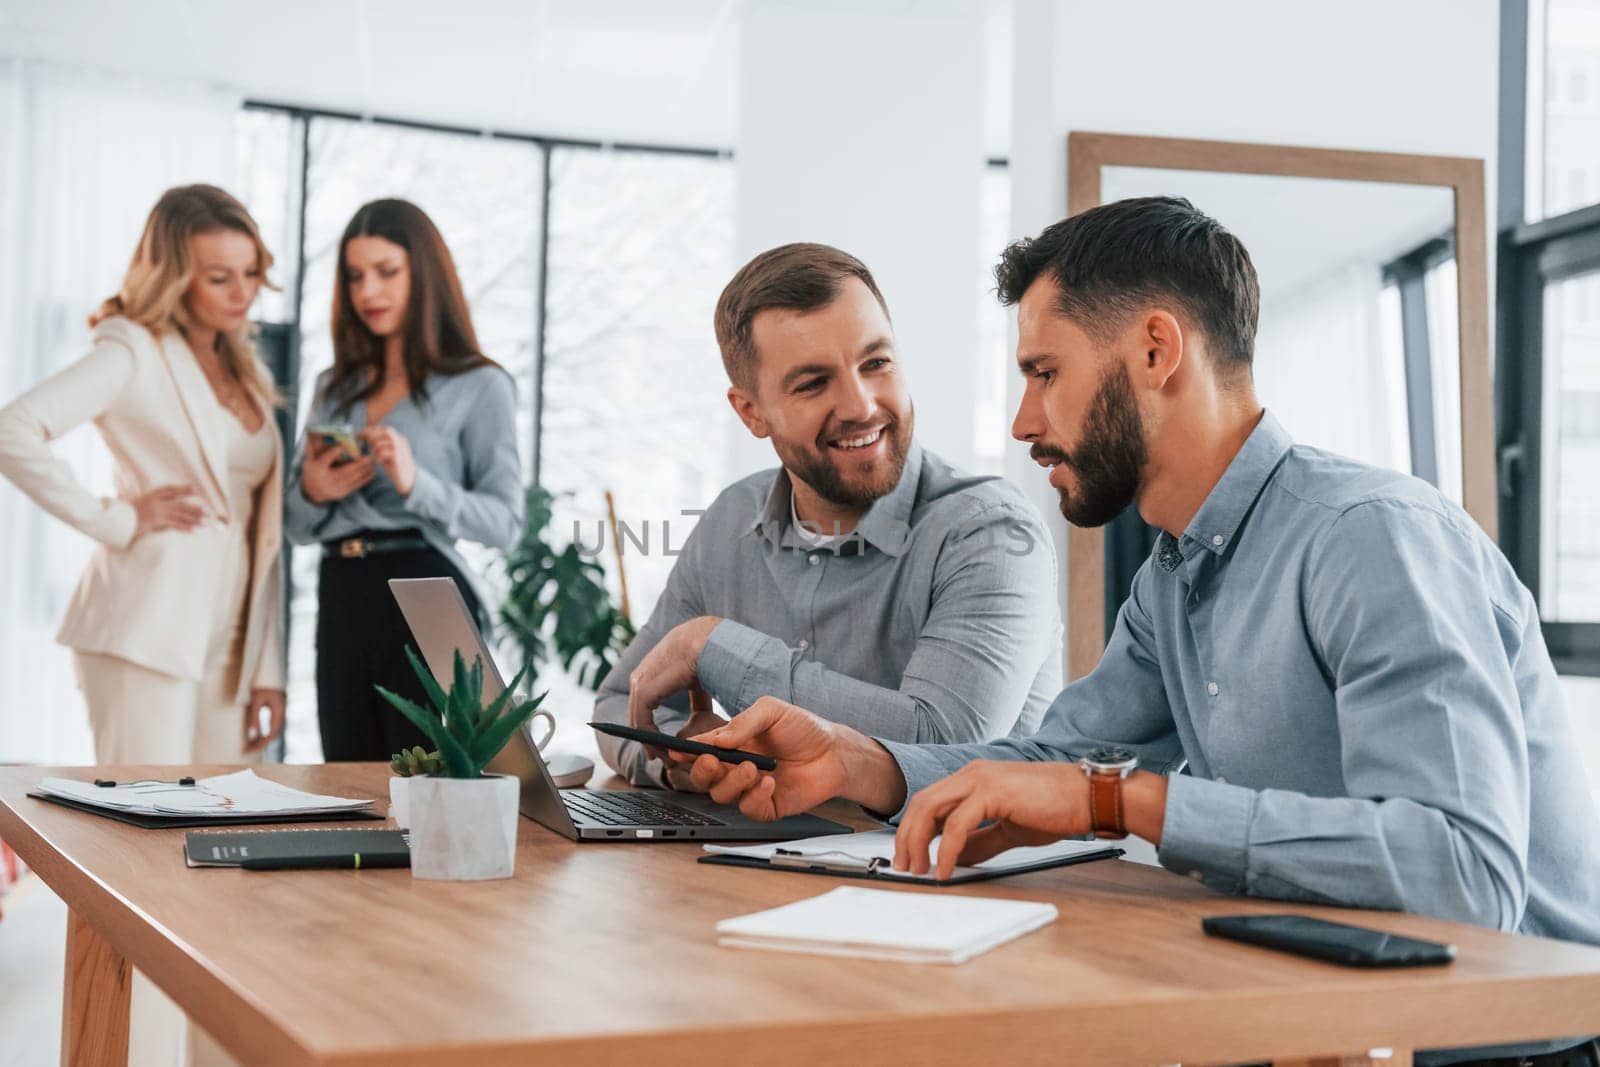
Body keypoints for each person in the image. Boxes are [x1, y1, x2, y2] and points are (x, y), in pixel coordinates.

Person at [677, 199, 1600, 1067]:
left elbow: (1465, 877)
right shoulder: (1175, 572)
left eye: (1045, 373)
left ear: (1157, 349)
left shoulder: (1371, 537)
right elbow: (1057, 756)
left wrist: (1118, 800)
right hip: (1321, 1015)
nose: (1024, 422)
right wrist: (851, 761)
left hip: (1511, 1041)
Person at [595, 242, 1061, 789]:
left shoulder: (991, 532)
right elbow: (621, 701)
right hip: (766, 862)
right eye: (814, 384)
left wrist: (716, 649)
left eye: (876, 363)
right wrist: (696, 765)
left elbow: (946, 743)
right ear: (751, 412)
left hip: (954, 868)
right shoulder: (731, 521)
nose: (861, 405)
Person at [0, 183, 287, 764]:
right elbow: (14, 429)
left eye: (251, 271)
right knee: (145, 827)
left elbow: (261, 529)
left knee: (228, 826)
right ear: (176, 275)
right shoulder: (132, 349)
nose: (243, 293)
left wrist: (267, 666)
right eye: (219, 277)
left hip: (228, 640)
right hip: (146, 626)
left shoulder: (243, 366)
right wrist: (122, 519)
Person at [284, 198, 521, 762]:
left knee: (426, 781)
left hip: (426, 585)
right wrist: (314, 490)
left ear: (425, 275)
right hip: (341, 587)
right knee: (347, 778)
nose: (368, 292)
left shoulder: (480, 385)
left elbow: (507, 524)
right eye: (355, 276)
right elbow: (293, 526)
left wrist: (419, 485)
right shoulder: (333, 386)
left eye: (387, 272)